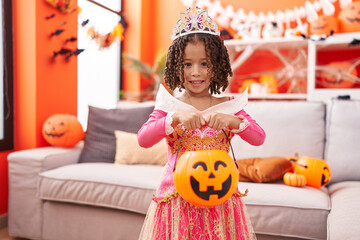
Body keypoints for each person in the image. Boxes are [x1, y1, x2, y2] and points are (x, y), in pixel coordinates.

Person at [137, 6, 265, 240]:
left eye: (204, 64)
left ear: (217, 65)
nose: (196, 72)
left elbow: (259, 138)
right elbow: (143, 139)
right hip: (176, 199)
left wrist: (233, 120)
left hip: (220, 198)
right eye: (187, 64)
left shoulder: (229, 106)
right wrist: (173, 119)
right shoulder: (169, 106)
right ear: (177, 65)